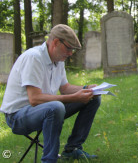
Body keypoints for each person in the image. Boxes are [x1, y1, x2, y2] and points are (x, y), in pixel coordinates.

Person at [0, 24, 101, 162]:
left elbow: (65, 88)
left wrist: (88, 88)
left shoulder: (58, 59)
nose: (71, 53)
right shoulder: (34, 58)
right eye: (69, 48)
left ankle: (72, 150)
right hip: (17, 116)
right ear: (55, 42)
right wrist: (73, 98)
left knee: (93, 98)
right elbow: (34, 99)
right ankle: (49, 159)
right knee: (56, 107)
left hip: (43, 109)